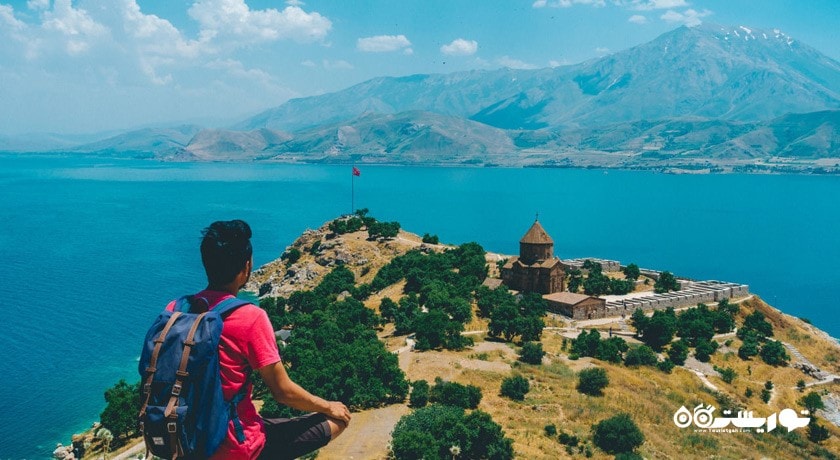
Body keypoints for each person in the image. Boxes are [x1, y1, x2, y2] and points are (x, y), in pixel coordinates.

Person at [166, 220, 350, 459]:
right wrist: (328, 405)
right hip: (235, 446)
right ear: (246, 267)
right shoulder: (250, 317)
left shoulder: (176, 309)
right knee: (338, 420)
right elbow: (283, 392)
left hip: (183, 439)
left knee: (269, 421)